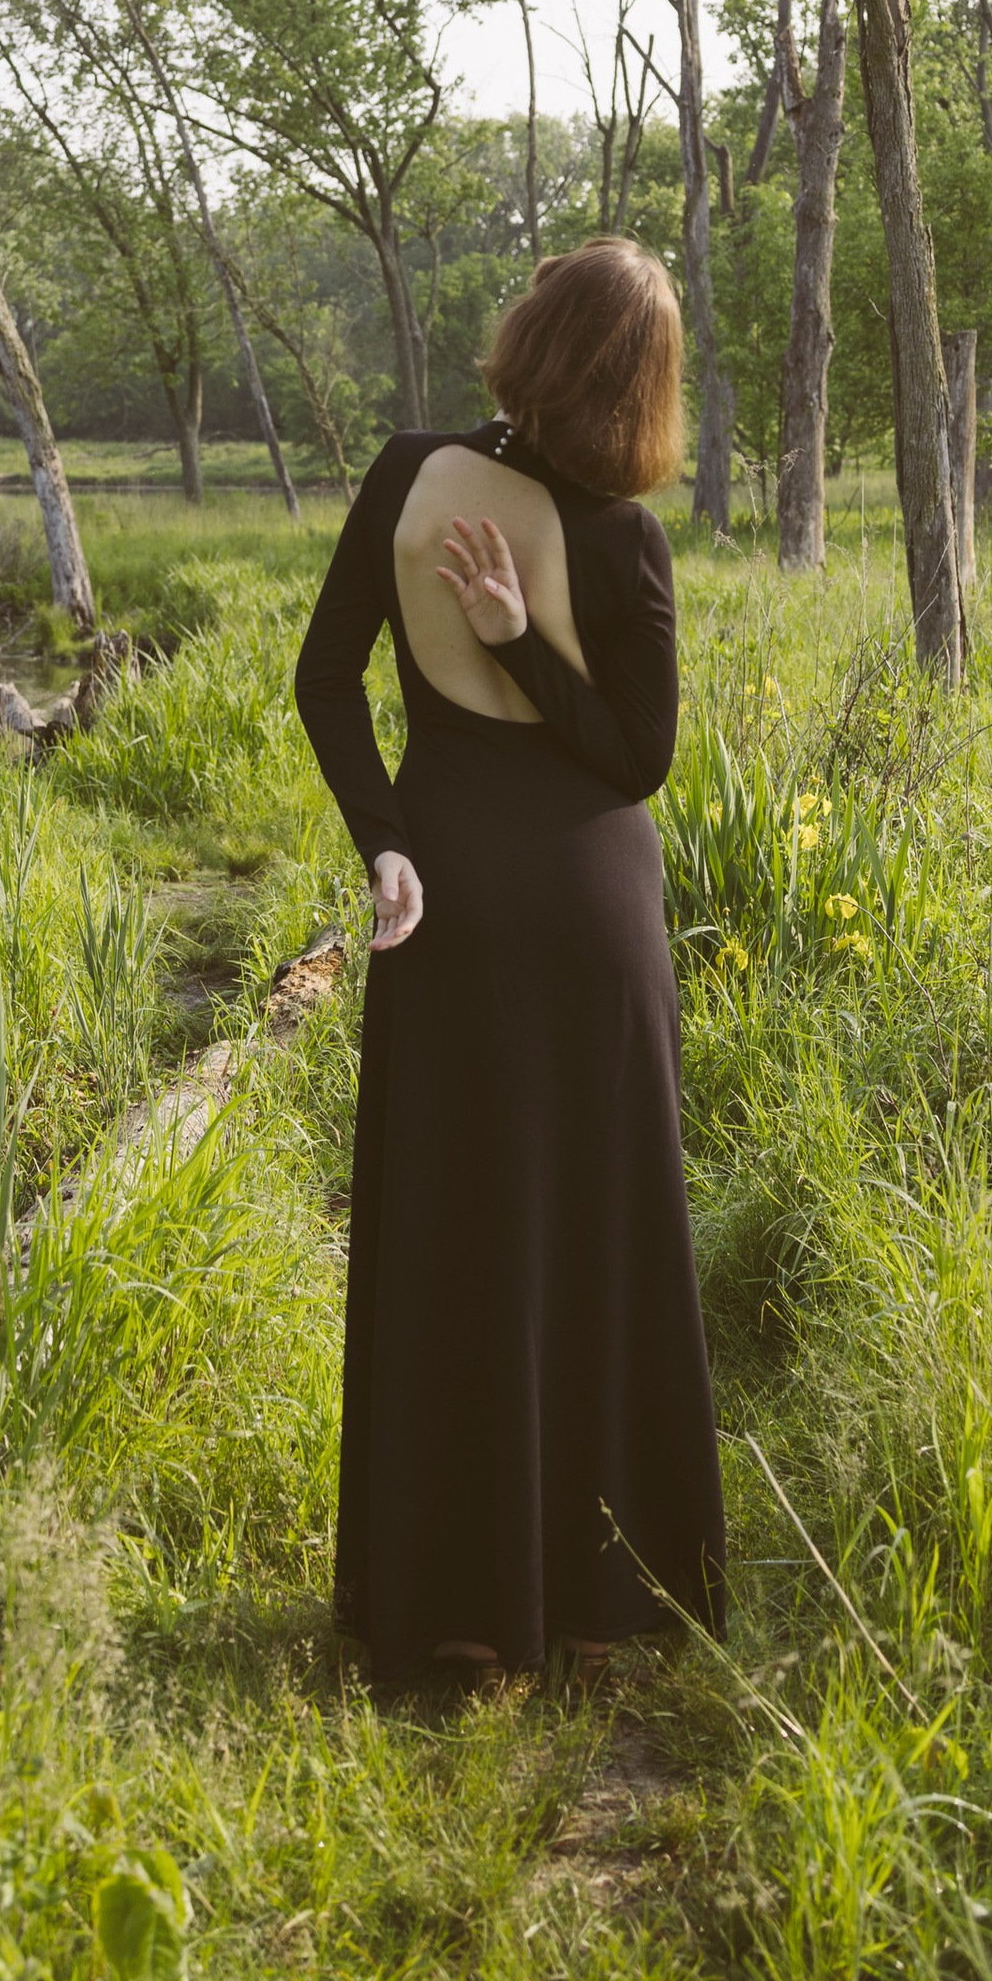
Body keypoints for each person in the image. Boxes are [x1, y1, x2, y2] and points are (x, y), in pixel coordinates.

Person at [292, 237, 727, 1684]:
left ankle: (446, 1601)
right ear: (641, 386)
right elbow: (635, 762)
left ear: (532, 334)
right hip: (587, 909)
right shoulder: (617, 539)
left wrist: (386, 844)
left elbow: (326, 681)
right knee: (590, 1232)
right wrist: (534, 648)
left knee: (450, 1230)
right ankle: (600, 1597)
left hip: (452, 895)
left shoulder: (410, 471)